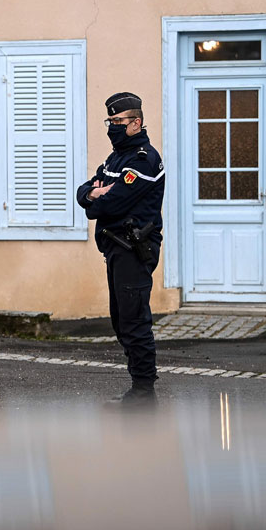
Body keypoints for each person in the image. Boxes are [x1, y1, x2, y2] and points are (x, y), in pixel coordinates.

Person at [77, 92, 165, 402]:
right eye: (109, 121)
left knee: (134, 319)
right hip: (114, 248)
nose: (112, 127)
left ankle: (143, 391)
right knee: (120, 318)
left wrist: (98, 198)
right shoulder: (115, 159)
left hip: (133, 248)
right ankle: (138, 386)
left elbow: (112, 203)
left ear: (135, 123)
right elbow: (84, 193)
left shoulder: (144, 159)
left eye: (117, 121)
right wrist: (94, 195)